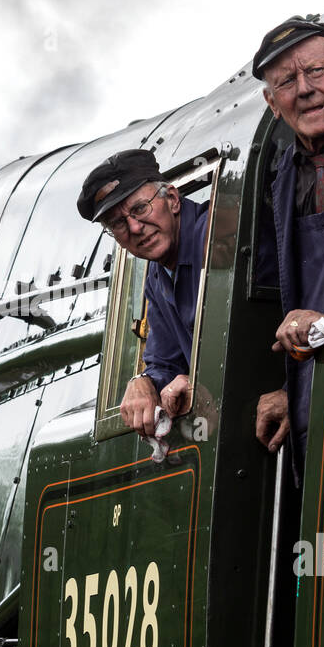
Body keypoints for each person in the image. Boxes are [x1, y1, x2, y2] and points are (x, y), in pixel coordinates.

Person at [249, 18, 324, 471]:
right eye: (288, 82)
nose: (306, 89)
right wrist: (292, 391)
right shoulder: (282, 178)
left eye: (316, 71)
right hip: (318, 402)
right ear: (273, 104)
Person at [78, 149, 208, 437]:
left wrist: (198, 380)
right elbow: (165, 360)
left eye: (139, 209)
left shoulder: (216, 238)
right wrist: (144, 380)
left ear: (172, 199)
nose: (135, 227)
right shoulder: (157, 274)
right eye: (118, 224)